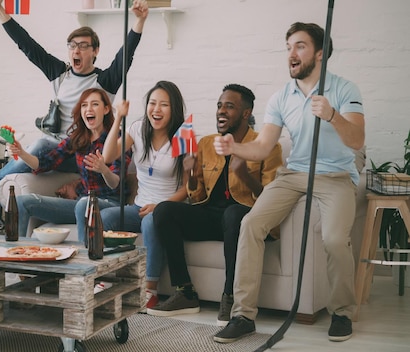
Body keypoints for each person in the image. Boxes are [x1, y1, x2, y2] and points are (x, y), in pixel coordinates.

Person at [213, 22, 365, 343]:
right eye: (288, 48)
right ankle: (243, 315)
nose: (291, 54)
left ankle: (342, 312)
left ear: (320, 54)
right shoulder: (282, 96)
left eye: (299, 46)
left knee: (336, 239)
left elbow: (357, 139)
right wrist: (234, 147)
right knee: (252, 223)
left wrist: (333, 115)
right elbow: (263, 147)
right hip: (293, 174)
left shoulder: (344, 90)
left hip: (335, 175)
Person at [0, 0, 149, 200]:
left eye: (84, 46)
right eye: (72, 46)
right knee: (41, 145)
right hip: (58, 152)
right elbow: (28, 47)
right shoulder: (60, 74)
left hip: (82, 153)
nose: (76, 51)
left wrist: (139, 21)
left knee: (41, 144)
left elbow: (126, 55)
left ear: (95, 51)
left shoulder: (104, 81)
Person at [146, 84, 283, 325]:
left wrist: (246, 177)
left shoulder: (266, 147)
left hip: (245, 219)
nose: (221, 111)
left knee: (232, 214)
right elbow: (198, 199)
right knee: (165, 210)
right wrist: (191, 176)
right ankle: (185, 292)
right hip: (213, 218)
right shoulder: (207, 144)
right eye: (219, 105)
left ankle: (230, 296)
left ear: (245, 113)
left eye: (229, 106)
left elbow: (272, 200)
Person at [92, 80, 189, 309]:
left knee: (149, 224)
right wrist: (118, 118)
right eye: (152, 103)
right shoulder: (137, 129)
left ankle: (150, 289)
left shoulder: (184, 136)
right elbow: (108, 156)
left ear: (174, 108)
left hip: (166, 210)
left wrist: (160, 206)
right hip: (138, 207)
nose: (156, 109)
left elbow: (188, 189)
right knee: (105, 218)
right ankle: (107, 279)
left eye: (163, 105)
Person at [8, 88, 127, 237]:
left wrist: (104, 170)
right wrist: (22, 153)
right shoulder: (78, 138)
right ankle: (16, 254)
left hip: (109, 203)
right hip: (80, 204)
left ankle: (86, 256)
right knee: (22, 202)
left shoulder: (119, 138)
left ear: (106, 109)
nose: (88, 109)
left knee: (85, 203)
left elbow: (117, 183)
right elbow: (45, 163)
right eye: (84, 105)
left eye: (95, 104)